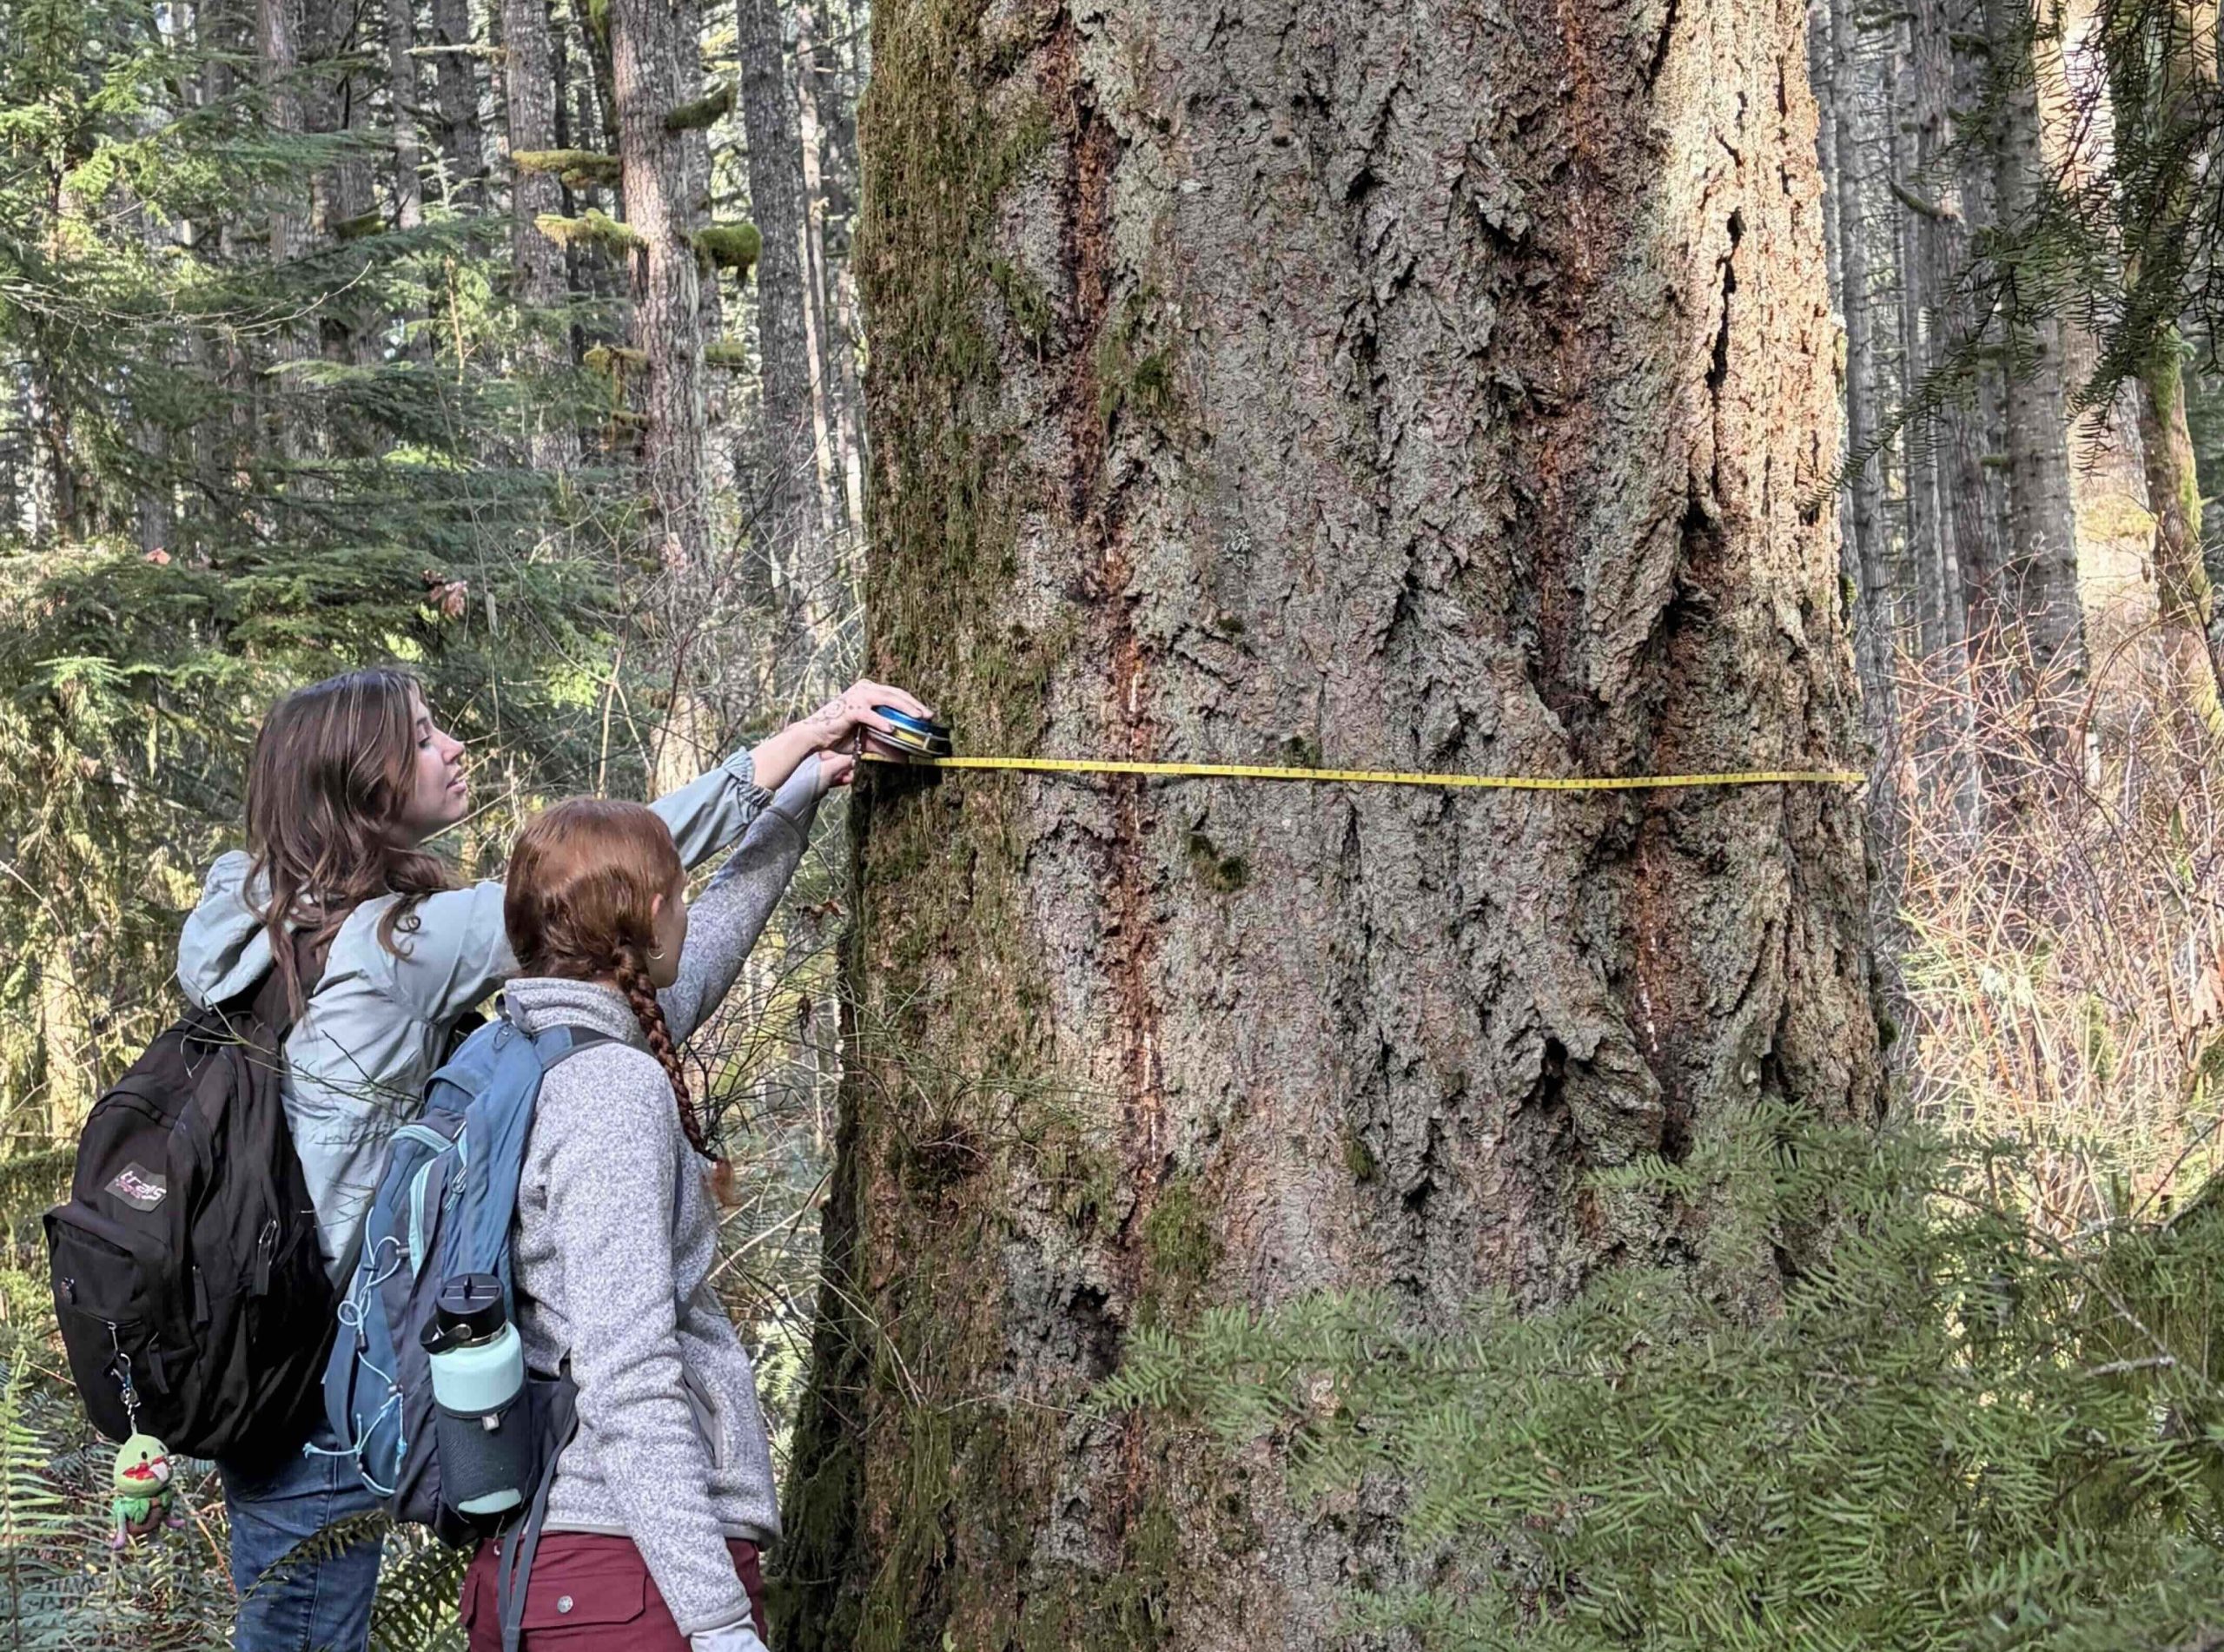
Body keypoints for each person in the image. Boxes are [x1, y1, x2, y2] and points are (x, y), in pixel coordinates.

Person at [175, 665, 928, 1652]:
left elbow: (651, 977)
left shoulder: (287, 928)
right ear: (358, 781)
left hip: (284, 1362)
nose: (452, 747)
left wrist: (790, 808)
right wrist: (801, 742)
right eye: (422, 736)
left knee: (288, 1624)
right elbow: (629, 1373)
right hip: (366, 1388)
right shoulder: (401, 950)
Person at [458, 797, 801, 1650]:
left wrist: (799, 797)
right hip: (630, 1585)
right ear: (652, 916)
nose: (688, 915)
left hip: (540, 1569)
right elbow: (628, 1371)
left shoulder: (517, 1056)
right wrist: (718, 1622)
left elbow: (707, 947)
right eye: (678, 898)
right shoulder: (611, 1092)